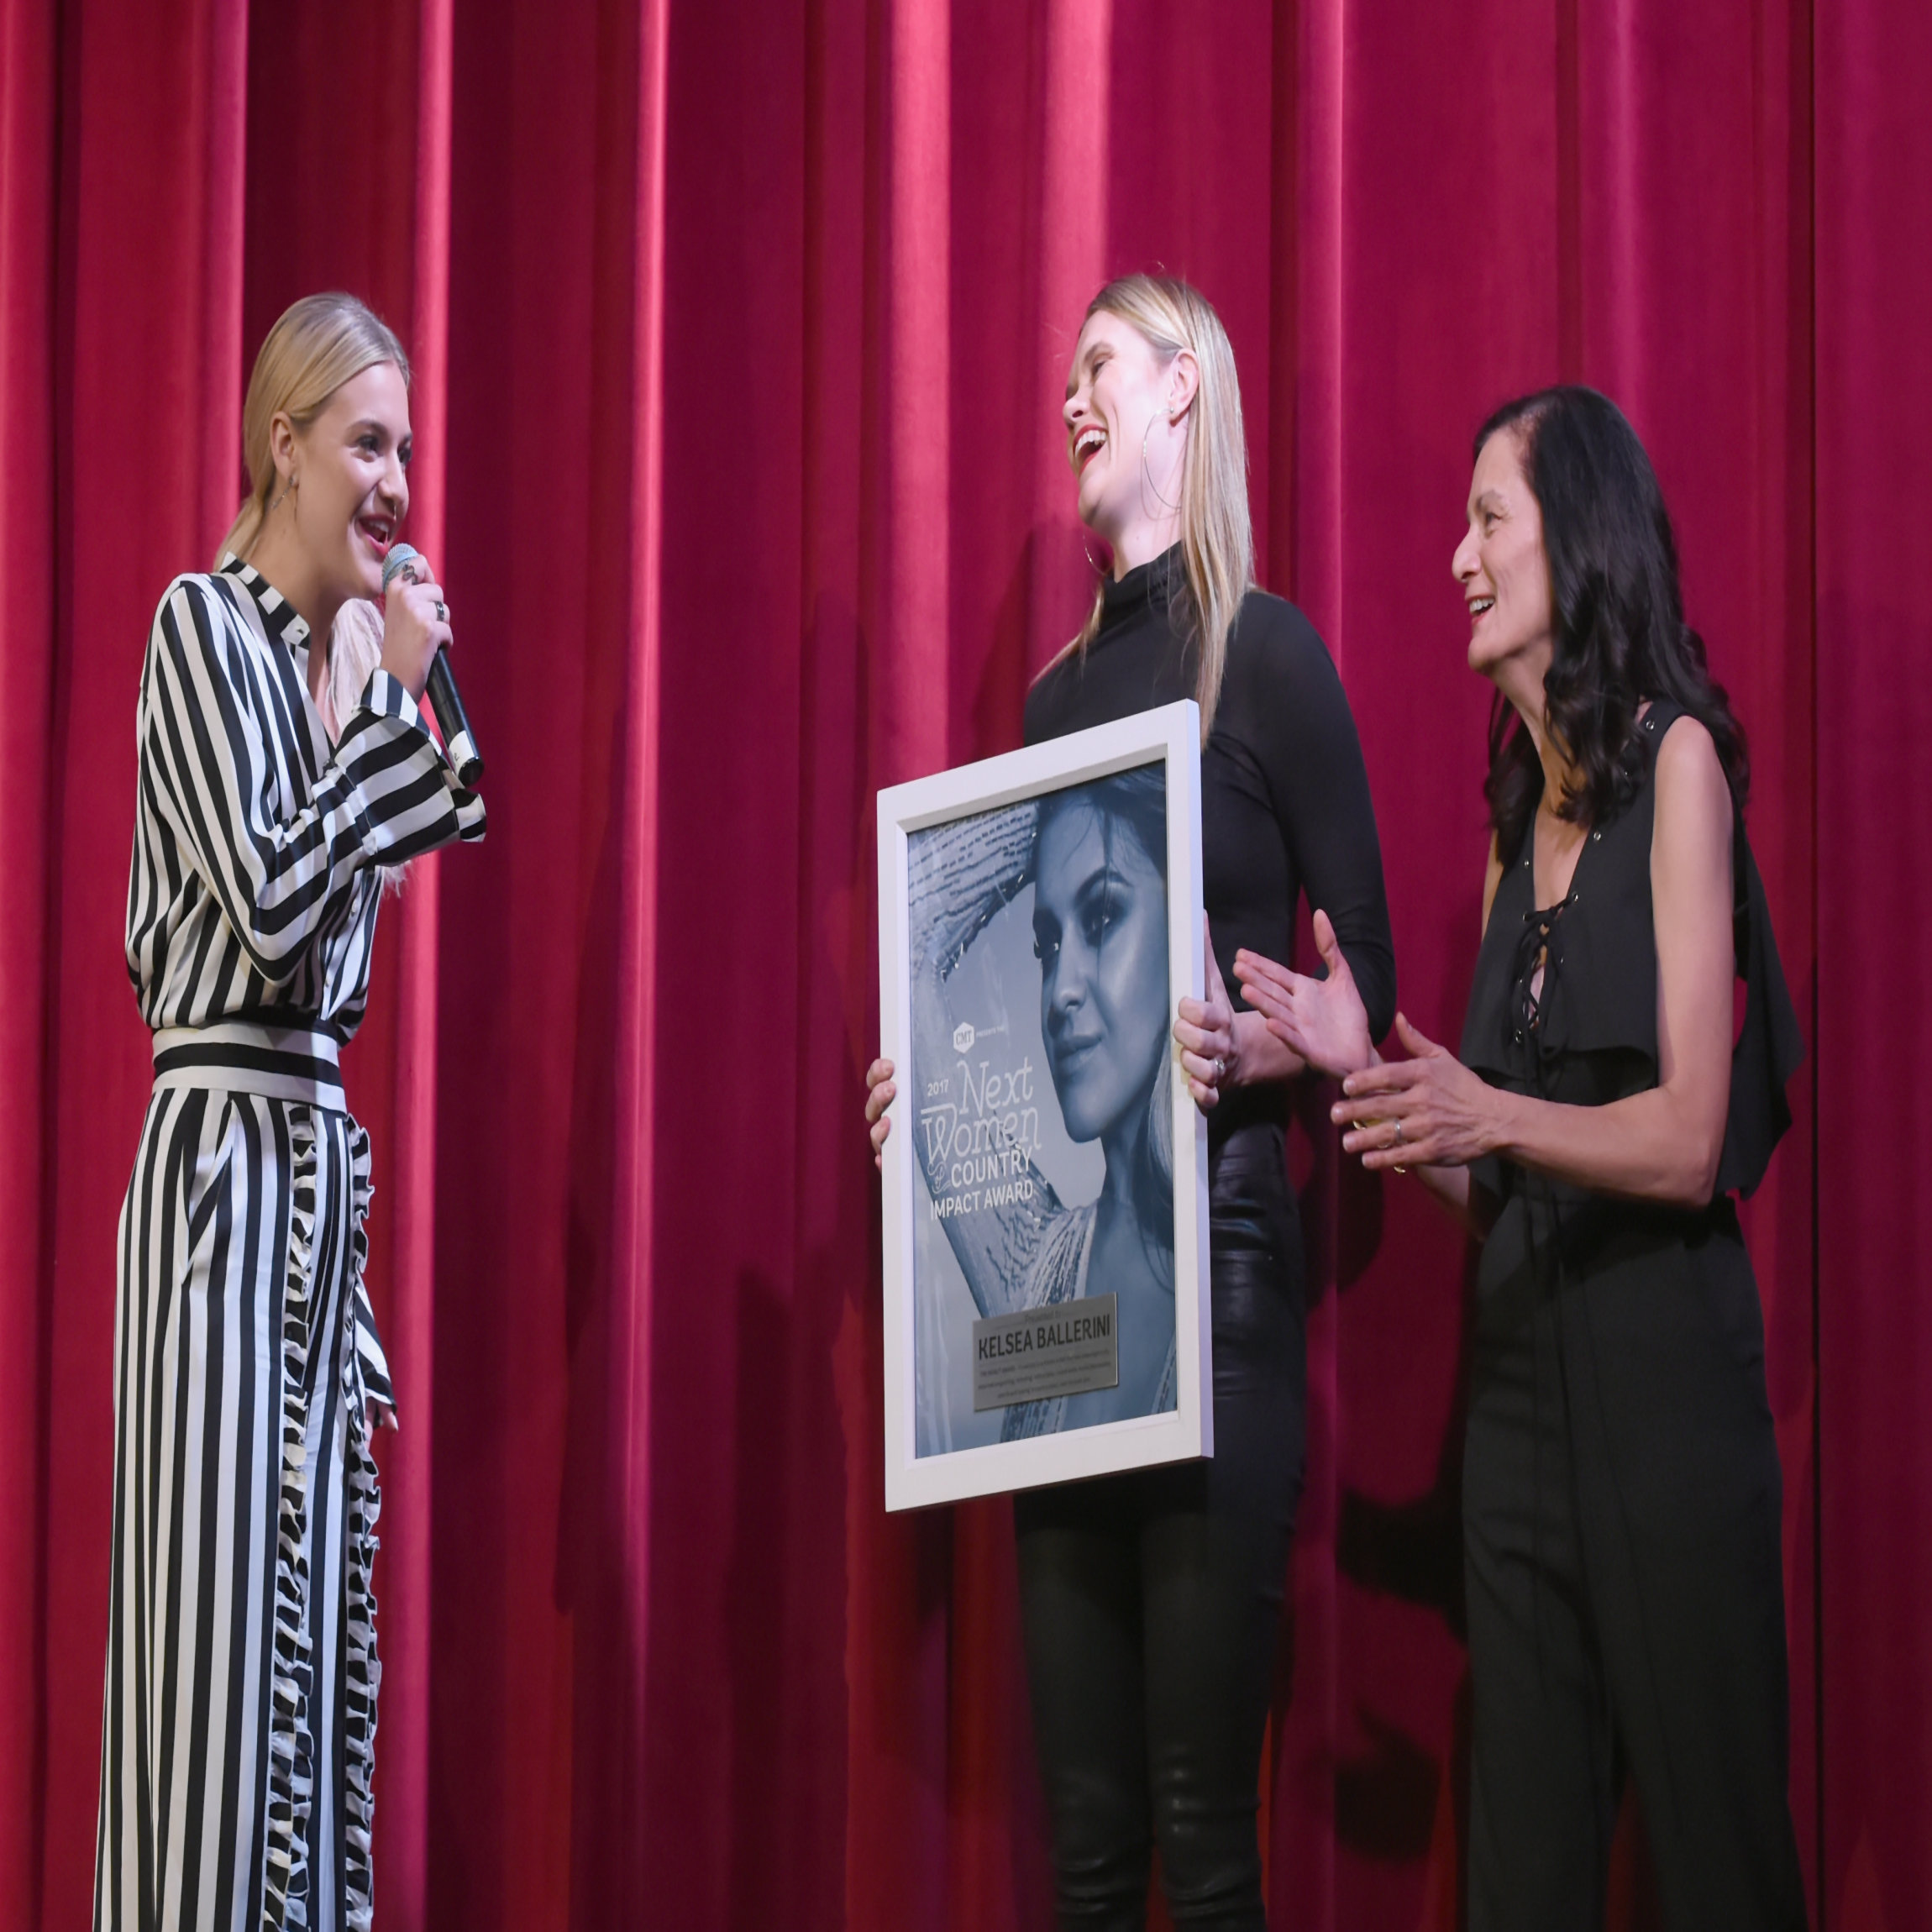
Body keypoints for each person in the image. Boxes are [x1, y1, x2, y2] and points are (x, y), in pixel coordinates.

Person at [1240, 386, 1808, 1929]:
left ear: (1584, 538)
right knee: (1523, 1880)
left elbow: (1691, 1141)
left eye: (1490, 520)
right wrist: (1378, 1083)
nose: (1457, 558)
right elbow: (1499, 1166)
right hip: (1519, 1407)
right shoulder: (1515, 816)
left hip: (1668, 1396)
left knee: (1719, 1861)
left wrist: (1490, 1110)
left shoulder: (1679, 761)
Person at [866, 274, 1395, 1927]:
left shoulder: (1270, 656)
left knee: (1202, 1832)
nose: (1071, 399)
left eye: (1097, 366)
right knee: (1088, 1849)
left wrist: (1295, 1040)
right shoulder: (1046, 707)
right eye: (1064, 379)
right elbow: (1022, 1038)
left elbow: (1368, 995)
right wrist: (931, 1103)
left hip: (1228, 1283)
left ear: (1183, 387)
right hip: (1068, 1331)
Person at [97, 292, 485, 1932]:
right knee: (210, 1665)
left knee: (311, 1654)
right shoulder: (203, 627)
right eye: (367, 441)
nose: (396, 480)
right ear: (286, 443)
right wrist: (376, 702)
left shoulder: (320, 676)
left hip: (312, 1184)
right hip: (220, 1193)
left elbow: (408, 845)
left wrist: (383, 696)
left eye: (405, 445)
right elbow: (263, 902)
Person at [907, 765, 1179, 1436]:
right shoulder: (1031, 1274)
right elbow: (912, 910)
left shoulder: (1231, 1239)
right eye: (1046, 945)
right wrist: (1071, 789)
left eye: (1104, 915)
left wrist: (1141, 777)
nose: (1060, 991)